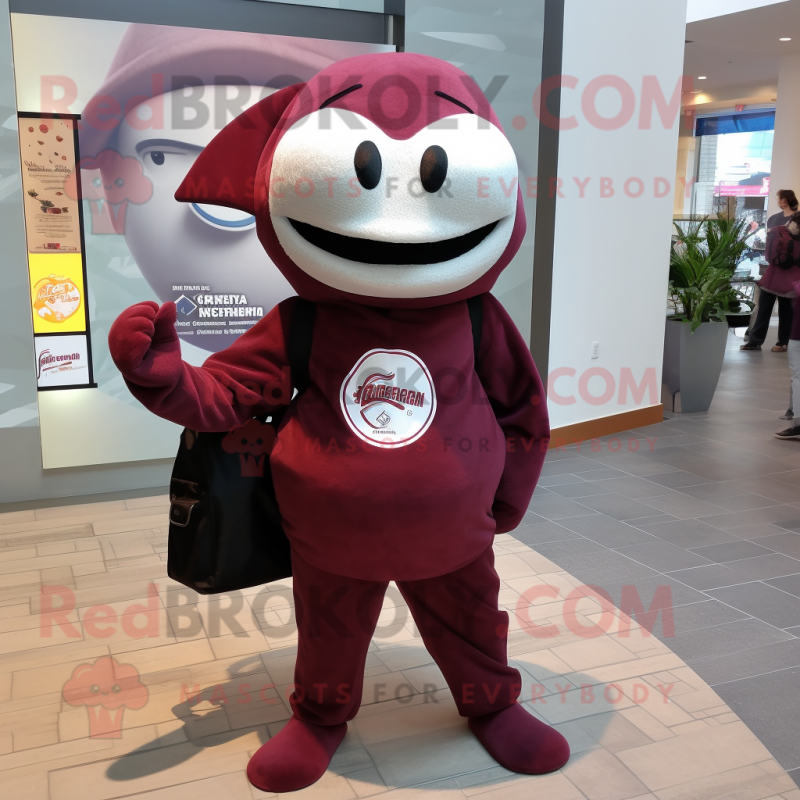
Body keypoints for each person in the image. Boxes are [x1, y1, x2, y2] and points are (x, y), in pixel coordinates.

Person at [741, 189, 799, 352]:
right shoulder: (774, 219)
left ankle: (783, 341)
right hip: (773, 267)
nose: (780, 201)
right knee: (764, 305)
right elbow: (769, 243)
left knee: (786, 308)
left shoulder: (798, 217)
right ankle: (755, 340)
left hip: (790, 269)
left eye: (781, 198)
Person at [776, 279, 800, 438]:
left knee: (798, 378)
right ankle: (797, 422)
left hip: (797, 337)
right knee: (797, 377)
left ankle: (798, 423)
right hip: (796, 335)